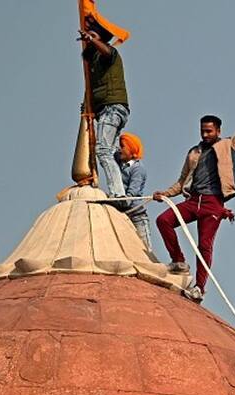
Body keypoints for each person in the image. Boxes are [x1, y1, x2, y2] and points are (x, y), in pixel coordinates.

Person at [152, 90, 235, 301]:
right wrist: (165, 193)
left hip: (213, 203)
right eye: (203, 131)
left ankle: (199, 288)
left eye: (209, 131)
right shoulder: (194, 152)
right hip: (193, 201)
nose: (205, 135)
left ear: (218, 130)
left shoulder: (229, 146)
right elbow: (182, 181)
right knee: (163, 220)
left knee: (204, 245)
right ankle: (179, 260)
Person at [78, 15, 129, 199]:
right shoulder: (94, 62)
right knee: (114, 154)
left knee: (103, 150)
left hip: (112, 108)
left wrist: (91, 39)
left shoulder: (109, 54)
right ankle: (123, 189)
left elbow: (107, 51)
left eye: (93, 35)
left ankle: (118, 194)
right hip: (107, 110)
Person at [118, 132, 151, 249]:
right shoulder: (122, 165)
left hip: (137, 216)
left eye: (122, 147)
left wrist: (121, 202)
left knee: (145, 250)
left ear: (131, 150)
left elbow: (133, 192)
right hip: (123, 214)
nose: (119, 150)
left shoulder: (137, 169)